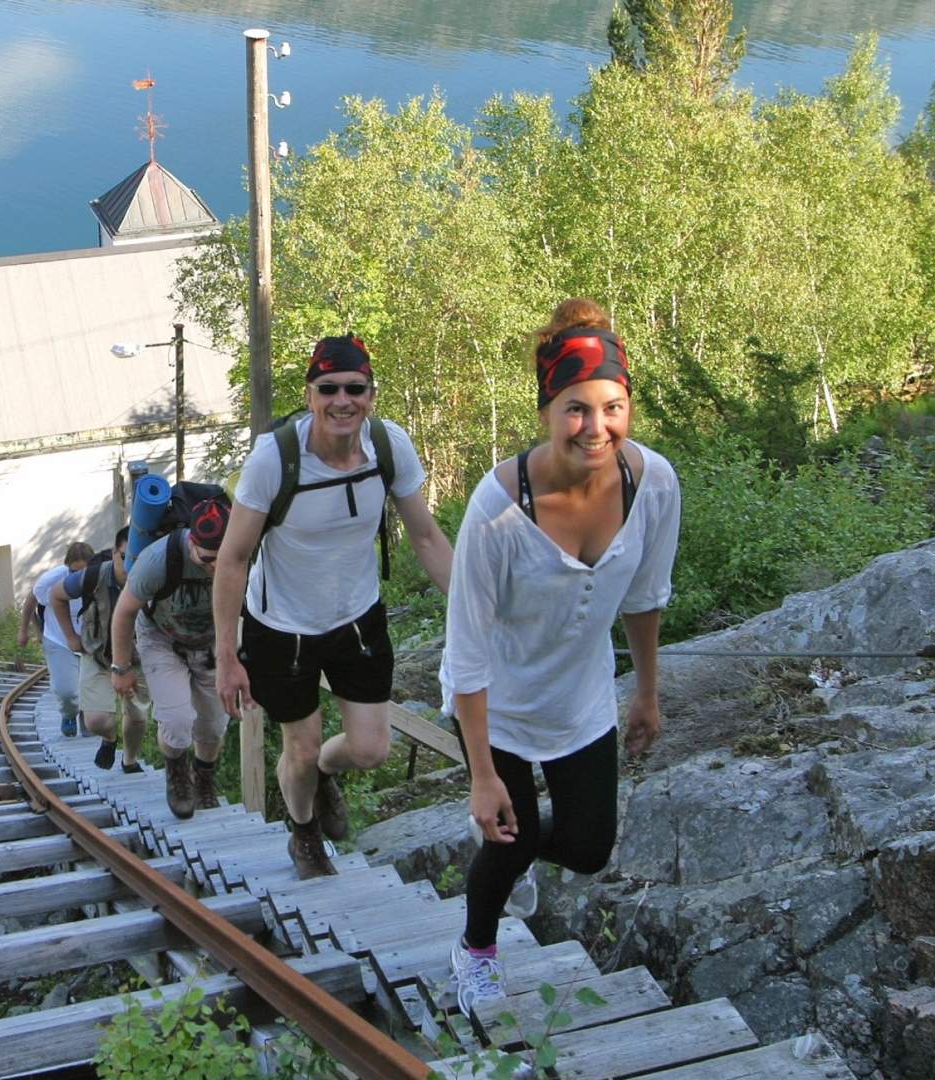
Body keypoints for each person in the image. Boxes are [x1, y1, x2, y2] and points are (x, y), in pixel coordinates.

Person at [439, 299, 680, 1025]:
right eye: (576, 408)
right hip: (498, 707)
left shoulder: (652, 483)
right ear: (547, 409)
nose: (597, 427)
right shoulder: (497, 509)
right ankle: (475, 952)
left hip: (579, 701)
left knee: (587, 848)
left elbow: (645, 595)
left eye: (613, 406)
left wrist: (646, 693)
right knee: (508, 843)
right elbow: (467, 651)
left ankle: (511, 860)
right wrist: (482, 777)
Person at [213, 335, 454, 879]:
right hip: (281, 629)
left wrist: (474, 614)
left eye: (355, 389)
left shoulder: (389, 447)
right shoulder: (274, 459)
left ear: (371, 394)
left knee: (370, 749)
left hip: (357, 618)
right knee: (298, 746)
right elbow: (231, 561)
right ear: (311, 393)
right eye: (329, 389)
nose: (342, 401)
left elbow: (428, 540)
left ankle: (324, 772)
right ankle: (303, 832)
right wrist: (227, 657)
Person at [110, 499, 233, 817]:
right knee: (178, 722)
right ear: (192, 541)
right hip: (161, 640)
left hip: (211, 643)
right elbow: (123, 613)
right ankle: (178, 776)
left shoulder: (240, 554)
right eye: (207, 559)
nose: (216, 567)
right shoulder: (158, 559)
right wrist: (120, 668)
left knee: (214, 726)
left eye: (223, 559)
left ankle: (203, 780)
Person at [52, 527, 146, 772]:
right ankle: (109, 739)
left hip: (137, 659)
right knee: (95, 721)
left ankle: (130, 760)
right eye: (124, 557)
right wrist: (71, 636)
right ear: (114, 552)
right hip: (97, 652)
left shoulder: (153, 576)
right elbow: (56, 595)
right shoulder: (92, 576)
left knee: (137, 718)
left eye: (136, 558)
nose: (129, 565)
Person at [19, 540, 95, 736]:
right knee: (66, 690)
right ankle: (69, 713)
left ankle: (87, 715)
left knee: (90, 685)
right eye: (73, 571)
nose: (78, 576)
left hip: (91, 638)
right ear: (67, 566)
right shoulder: (52, 579)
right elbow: (30, 602)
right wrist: (26, 631)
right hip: (58, 638)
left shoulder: (99, 575)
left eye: (83, 571)